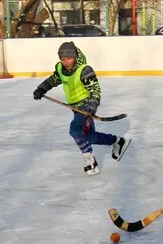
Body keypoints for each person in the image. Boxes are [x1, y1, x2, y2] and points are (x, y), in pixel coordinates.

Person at [32, 41, 131, 175]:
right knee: (89, 137)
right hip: (75, 107)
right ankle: (118, 141)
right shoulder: (61, 69)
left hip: (85, 106)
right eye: (63, 59)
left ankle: (91, 162)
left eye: (69, 58)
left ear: (75, 57)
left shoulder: (84, 70)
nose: (66, 62)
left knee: (76, 131)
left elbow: (95, 91)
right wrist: (41, 89)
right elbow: (54, 79)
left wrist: (91, 108)